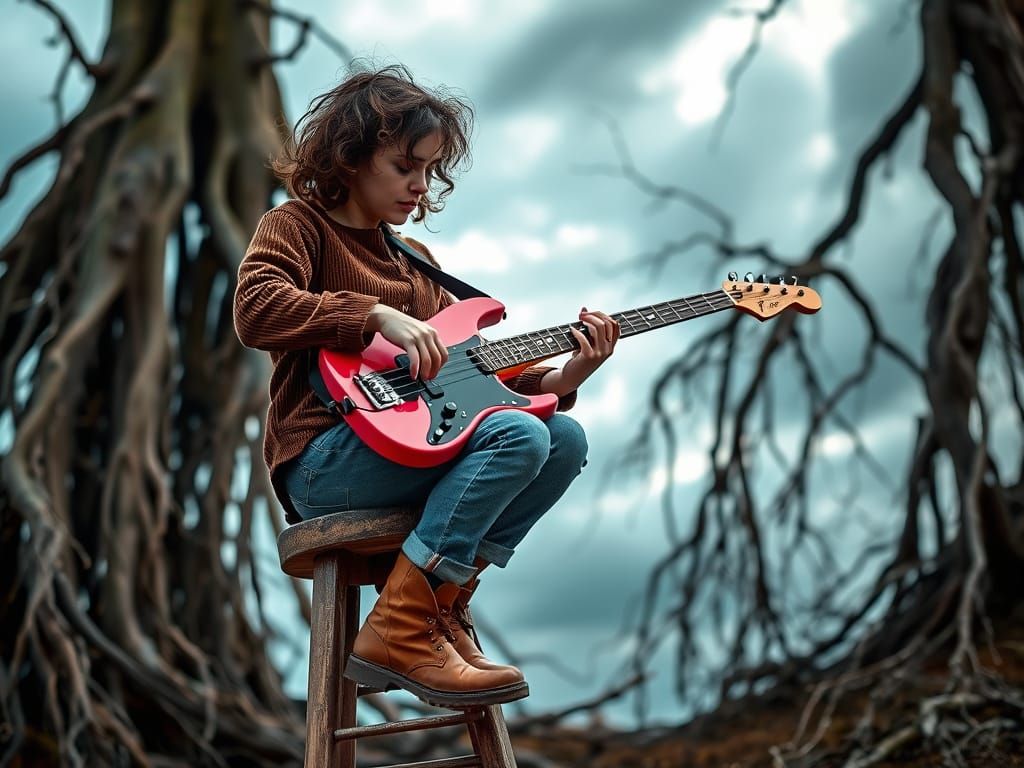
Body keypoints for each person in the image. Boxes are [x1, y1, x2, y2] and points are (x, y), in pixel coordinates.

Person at [233, 64, 620, 708]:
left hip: (420, 445)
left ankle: (432, 610)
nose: (420, 185)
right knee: (519, 434)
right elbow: (255, 309)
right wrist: (372, 316)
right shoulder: (297, 226)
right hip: (326, 464)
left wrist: (566, 374)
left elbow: (471, 375)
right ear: (350, 158)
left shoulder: (413, 260)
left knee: (565, 439)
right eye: (405, 166)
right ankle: (404, 631)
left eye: (430, 171)